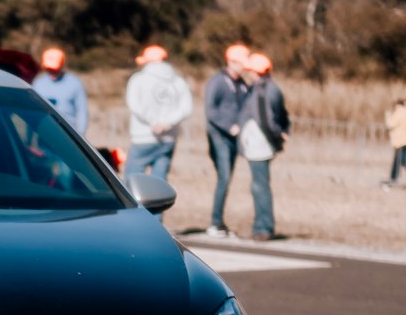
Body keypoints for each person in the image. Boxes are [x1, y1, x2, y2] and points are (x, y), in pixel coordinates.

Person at [237, 52, 291, 240]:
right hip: (258, 144)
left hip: (260, 145)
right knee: (259, 185)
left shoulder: (263, 92)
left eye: (250, 71)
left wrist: (276, 136)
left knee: (260, 186)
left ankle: (264, 227)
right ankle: (261, 225)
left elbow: (268, 120)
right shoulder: (265, 89)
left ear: (257, 72)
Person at [123, 44, 193, 180]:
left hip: (142, 138)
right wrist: (167, 123)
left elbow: (135, 104)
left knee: (130, 184)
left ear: (148, 62)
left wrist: (154, 122)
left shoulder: (138, 79)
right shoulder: (178, 81)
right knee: (159, 185)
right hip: (168, 139)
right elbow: (186, 107)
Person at [203, 43, 251, 238]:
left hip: (234, 139)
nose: (244, 68)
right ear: (230, 62)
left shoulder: (242, 84)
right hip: (219, 137)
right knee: (224, 177)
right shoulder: (218, 82)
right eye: (240, 63)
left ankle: (219, 221)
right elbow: (210, 110)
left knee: (226, 178)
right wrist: (229, 126)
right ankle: (215, 223)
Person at [32, 47, 89, 136]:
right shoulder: (38, 84)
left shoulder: (74, 83)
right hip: (44, 134)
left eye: (54, 68)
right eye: (49, 68)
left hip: (69, 134)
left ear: (61, 65)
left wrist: (80, 134)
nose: (52, 71)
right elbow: (32, 112)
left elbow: (82, 111)